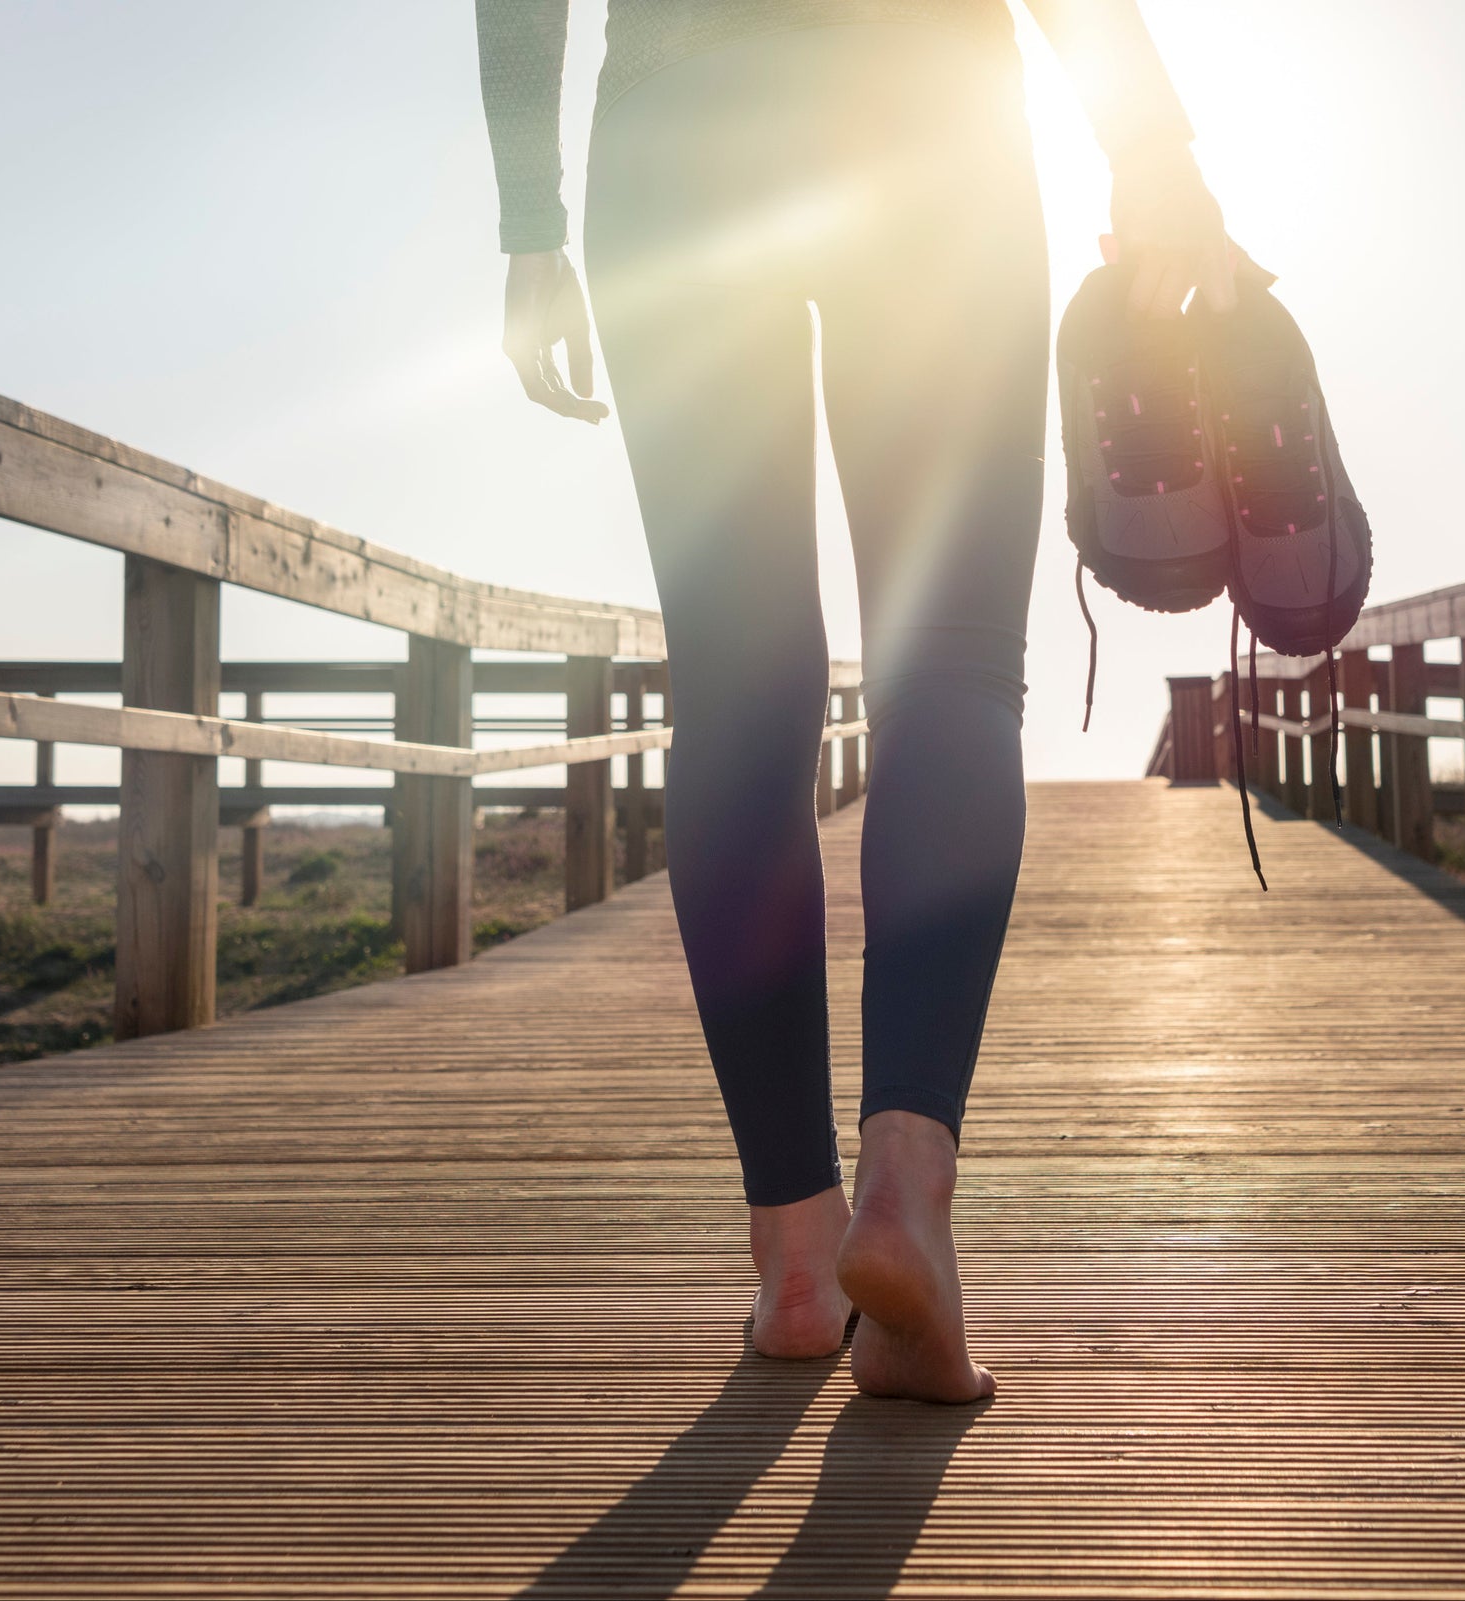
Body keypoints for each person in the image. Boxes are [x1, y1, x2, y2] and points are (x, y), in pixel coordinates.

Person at [477, 0, 1241, 1404]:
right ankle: (906, 1193)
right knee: (949, 655)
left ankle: (791, 1252)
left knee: (736, 679)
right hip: (925, 113)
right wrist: (1152, 147)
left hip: (675, 130)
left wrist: (532, 216)